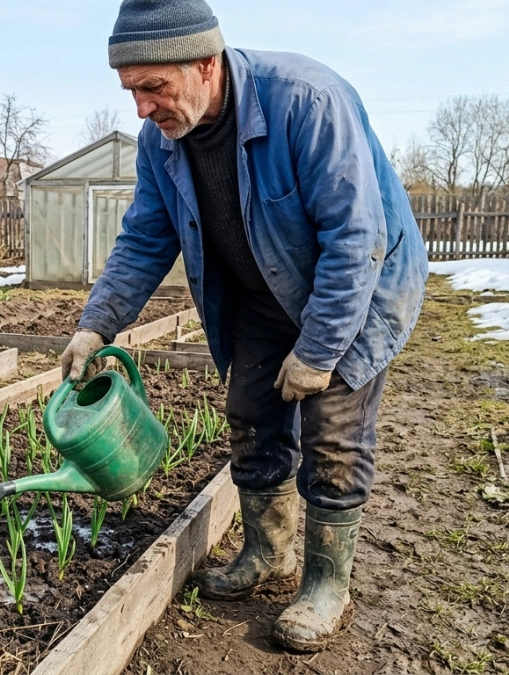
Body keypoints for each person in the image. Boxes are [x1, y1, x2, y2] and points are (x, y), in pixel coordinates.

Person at [59, 0, 429, 652]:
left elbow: (355, 237)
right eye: (131, 91)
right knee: (251, 414)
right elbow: (146, 237)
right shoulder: (162, 143)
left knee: (333, 433)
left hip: (359, 290)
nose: (141, 109)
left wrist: (317, 350)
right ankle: (268, 550)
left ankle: (325, 584)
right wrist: (98, 325)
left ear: (205, 64)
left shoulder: (307, 103)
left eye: (154, 88)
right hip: (260, 298)